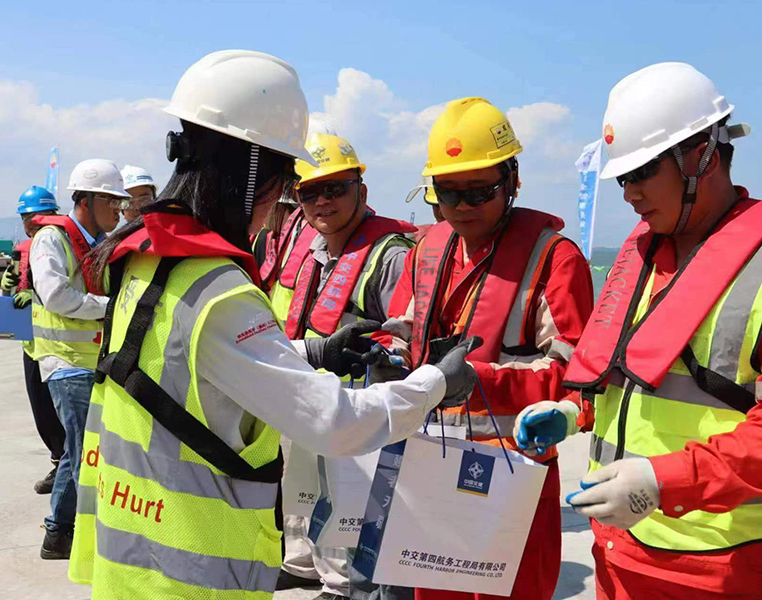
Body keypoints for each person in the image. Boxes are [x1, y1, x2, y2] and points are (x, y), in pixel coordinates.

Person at [67, 49, 480, 600]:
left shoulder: (142, 262)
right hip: (194, 576)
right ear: (257, 172)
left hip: (129, 560)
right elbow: (337, 423)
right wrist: (436, 384)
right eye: (294, 185)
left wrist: (311, 354)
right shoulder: (219, 288)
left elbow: (188, 364)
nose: (297, 202)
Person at [518, 62, 760, 600]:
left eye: (644, 172)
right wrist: (573, 412)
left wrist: (663, 481)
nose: (630, 193)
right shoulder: (642, 259)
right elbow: (630, 381)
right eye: (623, 178)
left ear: (702, 155)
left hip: (717, 568)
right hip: (619, 554)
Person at [385, 97, 594, 600]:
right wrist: (383, 357)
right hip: (430, 465)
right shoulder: (427, 251)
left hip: (511, 472)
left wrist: (482, 380)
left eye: (479, 192)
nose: (461, 208)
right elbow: (400, 330)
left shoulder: (554, 259)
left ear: (513, 180)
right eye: (446, 194)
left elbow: (578, 380)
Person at [282, 132, 416, 600]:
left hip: (362, 411)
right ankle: (314, 571)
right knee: (311, 493)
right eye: (309, 192)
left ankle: (343, 588)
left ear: (361, 188)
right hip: (314, 399)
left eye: (335, 187)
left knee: (350, 505)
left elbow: (410, 340)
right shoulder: (314, 251)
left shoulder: (390, 255)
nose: (322, 200)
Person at [29, 159, 128, 559]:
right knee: (80, 448)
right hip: (66, 362)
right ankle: (58, 533)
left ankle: (80, 526)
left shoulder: (96, 242)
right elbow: (55, 295)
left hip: (95, 360)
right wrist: (111, 306)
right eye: (112, 202)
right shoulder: (52, 239)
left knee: (92, 449)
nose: (119, 211)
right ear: (87, 199)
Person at [1, 185, 66, 494]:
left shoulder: (66, 242)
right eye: (25, 217)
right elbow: (12, 295)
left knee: (67, 412)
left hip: (63, 345)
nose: (29, 222)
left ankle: (70, 467)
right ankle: (59, 462)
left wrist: (36, 296)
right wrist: (9, 288)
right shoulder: (24, 249)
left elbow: (63, 290)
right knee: (42, 410)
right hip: (32, 342)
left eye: (34, 216)